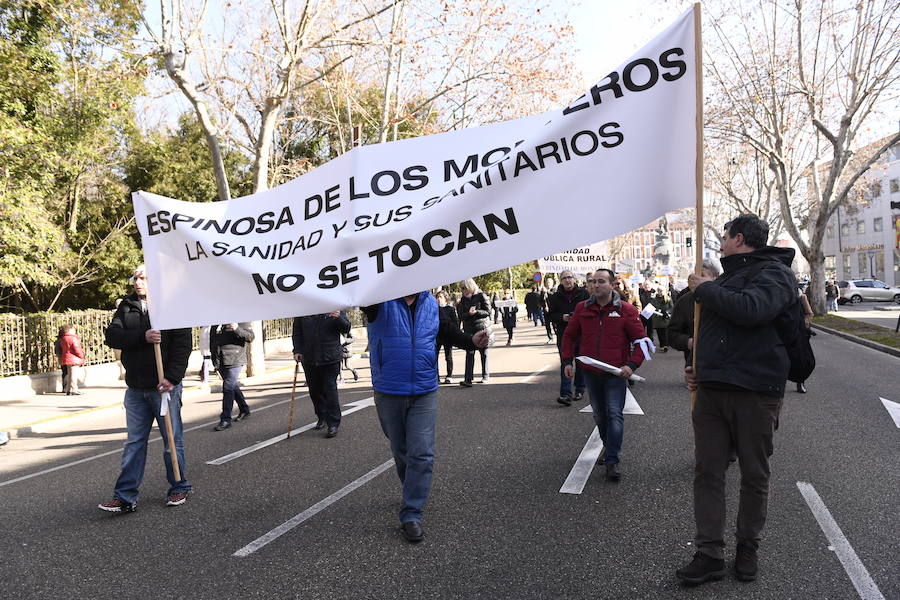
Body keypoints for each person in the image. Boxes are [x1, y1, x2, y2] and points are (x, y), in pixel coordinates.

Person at [676, 214, 796, 585]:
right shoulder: (725, 278)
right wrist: (698, 368)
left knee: (753, 475)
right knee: (707, 472)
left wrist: (703, 288)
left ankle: (748, 546)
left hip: (756, 392)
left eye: (724, 236)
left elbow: (751, 310)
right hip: (712, 391)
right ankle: (709, 552)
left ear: (739, 238)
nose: (721, 241)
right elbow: (711, 332)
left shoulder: (775, 274)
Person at [364, 292, 489, 543]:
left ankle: (412, 512)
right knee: (401, 450)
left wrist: (472, 341)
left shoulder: (430, 303)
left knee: (421, 453)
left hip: (424, 389)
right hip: (389, 389)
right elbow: (362, 293)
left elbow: (446, 331)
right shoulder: (378, 301)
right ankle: (411, 488)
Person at [99, 264, 192, 513]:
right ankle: (125, 496)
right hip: (136, 389)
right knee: (134, 443)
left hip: (164, 388)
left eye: (144, 278)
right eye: (136, 277)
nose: (138, 282)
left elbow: (183, 346)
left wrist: (172, 378)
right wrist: (143, 337)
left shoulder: (172, 307)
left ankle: (179, 486)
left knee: (171, 441)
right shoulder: (126, 305)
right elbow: (112, 337)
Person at [562, 269, 649, 481]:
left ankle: (612, 460)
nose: (596, 285)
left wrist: (631, 366)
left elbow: (642, 341)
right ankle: (609, 448)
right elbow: (569, 336)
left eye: (601, 281)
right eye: (593, 282)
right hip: (591, 373)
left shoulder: (626, 310)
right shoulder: (582, 308)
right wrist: (567, 361)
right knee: (599, 415)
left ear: (612, 285)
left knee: (614, 414)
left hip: (615, 374)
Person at [292, 311, 352, 438]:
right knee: (314, 390)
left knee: (329, 389)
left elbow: (346, 328)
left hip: (331, 357)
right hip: (309, 358)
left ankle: (333, 423)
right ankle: (321, 416)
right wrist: (297, 349)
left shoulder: (334, 306)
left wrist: (338, 318)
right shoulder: (302, 310)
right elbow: (297, 332)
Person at [667, 258, 722, 366]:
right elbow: (672, 334)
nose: (697, 279)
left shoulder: (726, 298)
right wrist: (688, 342)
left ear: (716, 277)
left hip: (724, 365)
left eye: (702, 275)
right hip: (696, 363)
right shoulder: (684, 301)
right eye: (696, 274)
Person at [547, 270, 589, 405]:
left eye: (570, 277)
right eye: (564, 278)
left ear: (574, 279)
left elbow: (590, 311)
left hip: (581, 333)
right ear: (560, 281)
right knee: (566, 363)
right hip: (564, 334)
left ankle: (580, 389)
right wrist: (562, 317)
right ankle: (565, 394)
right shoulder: (554, 297)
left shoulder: (584, 294)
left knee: (581, 362)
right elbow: (550, 316)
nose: (567, 280)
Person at [210, 322, 254, 431]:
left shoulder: (241, 320)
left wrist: (236, 328)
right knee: (232, 386)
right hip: (221, 360)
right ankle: (244, 409)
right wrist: (215, 363)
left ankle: (225, 419)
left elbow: (250, 337)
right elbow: (213, 342)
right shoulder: (216, 322)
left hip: (235, 359)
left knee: (228, 387)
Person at [457, 278, 491, 386]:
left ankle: (485, 375)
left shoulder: (481, 296)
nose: (462, 291)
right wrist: (469, 314)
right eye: (461, 289)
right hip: (468, 329)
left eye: (464, 288)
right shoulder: (463, 299)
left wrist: (476, 312)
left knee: (483, 352)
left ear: (470, 286)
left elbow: (488, 311)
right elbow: (461, 315)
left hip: (481, 327)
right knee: (469, 353)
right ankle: (468, 379)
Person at [435, 290, 458, 384]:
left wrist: (455, 334)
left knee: (448, 357)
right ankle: (436, 376)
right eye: (437, 297)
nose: (438, 299)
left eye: (440, 297)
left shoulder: (450, 309)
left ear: (445, 298)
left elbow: (455, 323)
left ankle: (449, 376)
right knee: (434, 357)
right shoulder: (434, 309)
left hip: (447, 336)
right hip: (437, 336)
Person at [58, 323, 85, 395]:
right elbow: (77, 349)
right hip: (74, 358)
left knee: (69, 374)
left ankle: (69, 389)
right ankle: (74, 389)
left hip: (67, 358)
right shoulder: (73, 338)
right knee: (74, 375)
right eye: (73, 329)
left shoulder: (63, 338)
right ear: (70, 330)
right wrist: (81, 356)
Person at [796, 288, 813, 394]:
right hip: (783, 331)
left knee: (801, 358)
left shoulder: (801, 296)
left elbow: (809, 313)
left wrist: (803, 324)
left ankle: (800, 382)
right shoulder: (780, 294)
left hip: (799, 331)